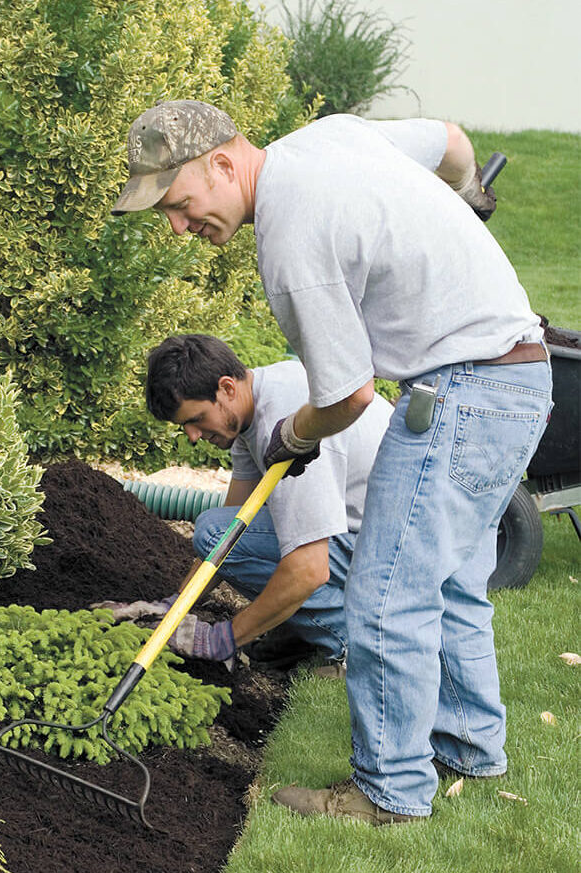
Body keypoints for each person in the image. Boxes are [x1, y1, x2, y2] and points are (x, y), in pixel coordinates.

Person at [111, 101, 552, 826]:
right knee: (452, 586)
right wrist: (467, 195)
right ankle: (471, 750)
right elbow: (450, 141)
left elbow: (347, 395)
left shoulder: (288, 236)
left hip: (461, 390)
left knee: (384, 597)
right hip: (518, 377)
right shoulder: (330, 138)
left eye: (179, 204)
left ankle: (388, 792)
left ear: (220, 163)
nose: (179, 227)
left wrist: (292, 433)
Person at [98, 333, 393, 673]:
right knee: (219, 532)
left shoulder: (286, 424)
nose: (192, 436)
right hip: (363, 534)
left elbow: (310, 569)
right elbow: (228, 537)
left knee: (215, 532)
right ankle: (302, 628)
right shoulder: (250, 410)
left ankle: (356, 644)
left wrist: (222, 639)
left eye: (196, 419)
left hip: (387, 552)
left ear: (226, 388)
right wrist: (175, 606)